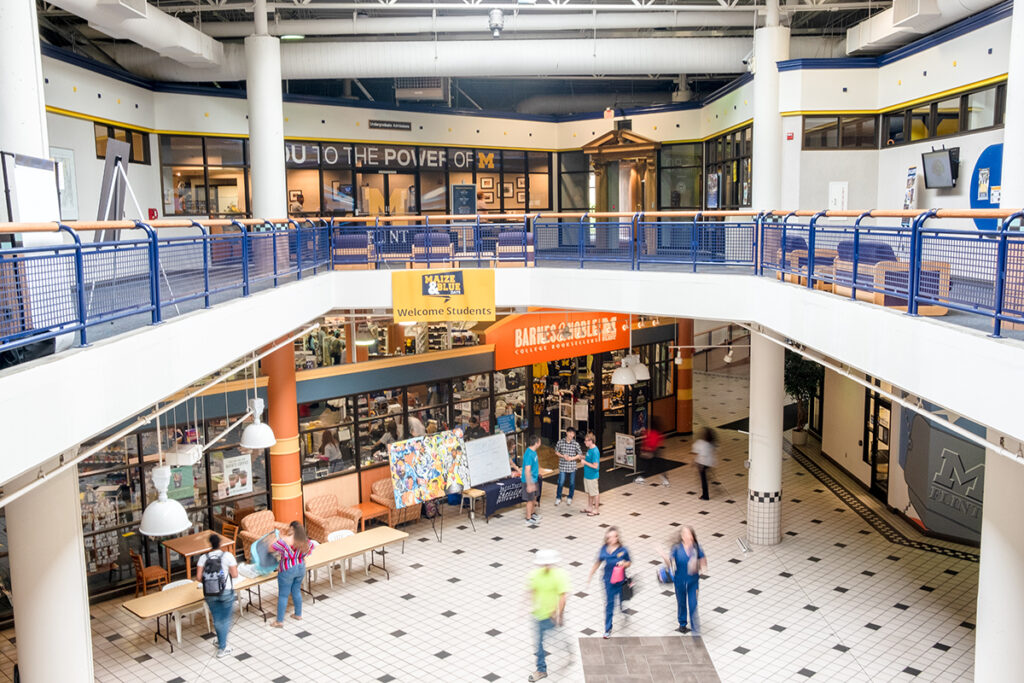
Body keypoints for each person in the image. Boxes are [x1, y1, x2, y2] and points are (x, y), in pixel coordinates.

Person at [527, 549, 569, 682]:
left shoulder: (559, 575)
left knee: (556, 639)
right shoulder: (534, 574)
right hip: (538, 615)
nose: (545, 566)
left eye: (548, 564)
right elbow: (532, 590)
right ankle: (541, 670)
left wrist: (559, 615)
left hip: (552, 616)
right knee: (538, 643)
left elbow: (563, 597)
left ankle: (566, 646)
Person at [195, 533, 239, 658]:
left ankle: (220, 641)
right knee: (225, 620)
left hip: (210, 593)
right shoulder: (228, 556)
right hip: (226, 591)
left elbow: (198, 578)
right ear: (220, 544)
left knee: (217, 619)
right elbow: (235, 574)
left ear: (210, 544)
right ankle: (222, 648)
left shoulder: (203, 558)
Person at [658, 526, 707, 634]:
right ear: (682, 536)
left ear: (693, 536)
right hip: (679, 580)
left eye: (689, 534)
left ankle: (695, 626)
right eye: (685, 534)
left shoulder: (697, 548)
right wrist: (663, 555)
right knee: (681, 602)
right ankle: (682, 623)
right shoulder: (676, 548)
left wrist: (699, 566)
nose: (687, 536)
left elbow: (704, 563)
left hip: (693, 582)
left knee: (693, 603)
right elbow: (670, 563)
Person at [587, 527, 631, 638]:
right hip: (608, 581)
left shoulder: (623, 550)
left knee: (621, 598)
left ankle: (622, 608)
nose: (612, 539)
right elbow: (598, 562)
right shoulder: (604, 549)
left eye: (615, 536)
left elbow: (629, 562)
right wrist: (590, 575)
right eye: (610, 537)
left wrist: (624, 564)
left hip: (621, 581)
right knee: (609, 604)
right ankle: (607, 628)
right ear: (607, 539)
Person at [270, 522, 317, 628]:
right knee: (296, 591)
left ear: (292, 529)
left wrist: (278, 537)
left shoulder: (284, 541)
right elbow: (309, 550)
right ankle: (298, 614)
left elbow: (272, 547)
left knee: (283, 595)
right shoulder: (306, 541)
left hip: (287, 569)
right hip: (300, 567)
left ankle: (279, 621)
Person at [554, 427, 583, 507]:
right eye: (570, 432)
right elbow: (556, 451)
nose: (571, 435)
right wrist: (563, 456)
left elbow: (580, 455)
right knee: (561, 482)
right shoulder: (560, 442)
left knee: (572, 483)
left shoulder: (575, 444)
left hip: (572, 466)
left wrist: (572, 458)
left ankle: (570, 497)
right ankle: (558, 497)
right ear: (566, 432)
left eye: (573, 433)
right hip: (563, 466)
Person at [691, 427, 718, 500]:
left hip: (702, 464)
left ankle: (705, 495)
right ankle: (710, 485)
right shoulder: (712, 443)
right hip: (709, 463)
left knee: (703, 480)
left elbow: (699, 454)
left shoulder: (701, 443)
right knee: (705, 477)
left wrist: (695, 462)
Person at [522, 435, 541, 526]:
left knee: (534, 497)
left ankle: (533, 514)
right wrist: (529, 484)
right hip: (528, 480)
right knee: (530, 500)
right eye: (539, 441)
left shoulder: (534, 451)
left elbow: (535, 465)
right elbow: (527, 470)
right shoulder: (529, 454)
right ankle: (528, 518)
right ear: (536, 443)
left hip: (534, 478)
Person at [582, 432, 601, 516]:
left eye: (586, 441)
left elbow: (595, 466)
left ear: (591, 441)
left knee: (595, 492)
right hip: (587, 475)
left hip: (592, 476)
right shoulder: (589, 449)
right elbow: (588, 459)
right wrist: (582, 457)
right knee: (590, 492)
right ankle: (590, 507)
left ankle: (596, 509)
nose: (584, 442)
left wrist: (585, 462)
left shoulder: (595, 451)